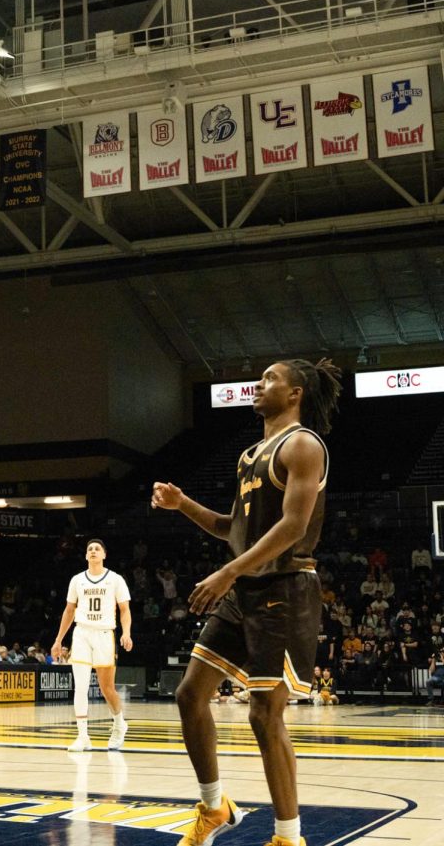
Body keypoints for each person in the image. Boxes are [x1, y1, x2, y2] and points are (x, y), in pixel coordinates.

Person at [152, 358, 341, 846]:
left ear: (295, 393)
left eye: (270, 379)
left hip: (285, 590)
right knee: (190, 694)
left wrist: (228, 571)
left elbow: (294, 526)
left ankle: (288, 837)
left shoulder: (303, 445)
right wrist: (183, 505)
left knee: (263, 714)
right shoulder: (249, 455)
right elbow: (229, 528)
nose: (258, 386)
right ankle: (214, 808)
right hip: (246, 590)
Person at [51, 538, 133, 751]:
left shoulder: (115, 579)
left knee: (107, 689)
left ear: (104, 555)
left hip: (105, 634)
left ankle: (119, 724)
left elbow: (124, 610)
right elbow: (69, 611)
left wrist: (127, 633)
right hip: (81, 633)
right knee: (80, 686)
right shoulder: (77, 580)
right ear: (86, 556)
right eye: (90, 549)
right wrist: (59, 640)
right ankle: (83, 736)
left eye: (97, 549)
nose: (93, 551)